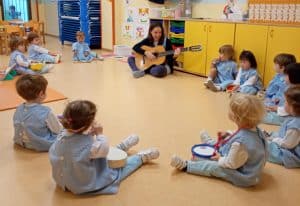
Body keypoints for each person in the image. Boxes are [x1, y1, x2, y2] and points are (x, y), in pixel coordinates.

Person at [49, 100, 159, 195]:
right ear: (85, 126)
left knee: (98, 151)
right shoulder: (89, 146)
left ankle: (121, 148)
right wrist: (100, 133)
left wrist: (89, 133)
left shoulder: (61, 134)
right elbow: (104, 149)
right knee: (118, 171)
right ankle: (140, 158)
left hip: (64, 180)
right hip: (81, 184)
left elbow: (80, 146)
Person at [170, 93, 267, 187]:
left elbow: (231, 164)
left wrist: (219, 158)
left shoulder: (240, 144)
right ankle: (210, 144)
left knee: (214, 167)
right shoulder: (255, 130)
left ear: (237, 118)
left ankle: (186, 166)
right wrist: (228, 134)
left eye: (231, 111)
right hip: (241, 159)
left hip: (243, 175)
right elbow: (241, 135)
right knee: (227, 141)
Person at [13, 74, 62, 151]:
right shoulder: (46, 111)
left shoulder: (19, 108)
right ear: (41, 94)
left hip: (20, 141)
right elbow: (58, 130)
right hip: (38, 144)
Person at [266, 85, 300, 168]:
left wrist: (274, 140)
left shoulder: (295, 125)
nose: (284, 104)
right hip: (288, 142)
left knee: (263, 147)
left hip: (290, 154)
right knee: (271, 136)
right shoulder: (294, 118)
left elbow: (288, 144)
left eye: (286, 102)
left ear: (294, 107)